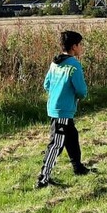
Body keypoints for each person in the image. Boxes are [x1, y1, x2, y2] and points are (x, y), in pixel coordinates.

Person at [36, 30, 89, 189]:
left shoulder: (55, 63)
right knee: (56, 144)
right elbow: (81, 90)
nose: (81, 47)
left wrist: (57, 92)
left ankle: (78, 167)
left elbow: (46, 84)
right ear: (74, 47)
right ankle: (43, 178)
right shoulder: (74, 65)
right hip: (63, 111)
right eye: (80, 45)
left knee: (72, 137)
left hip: (55, 107)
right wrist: (76, 96)